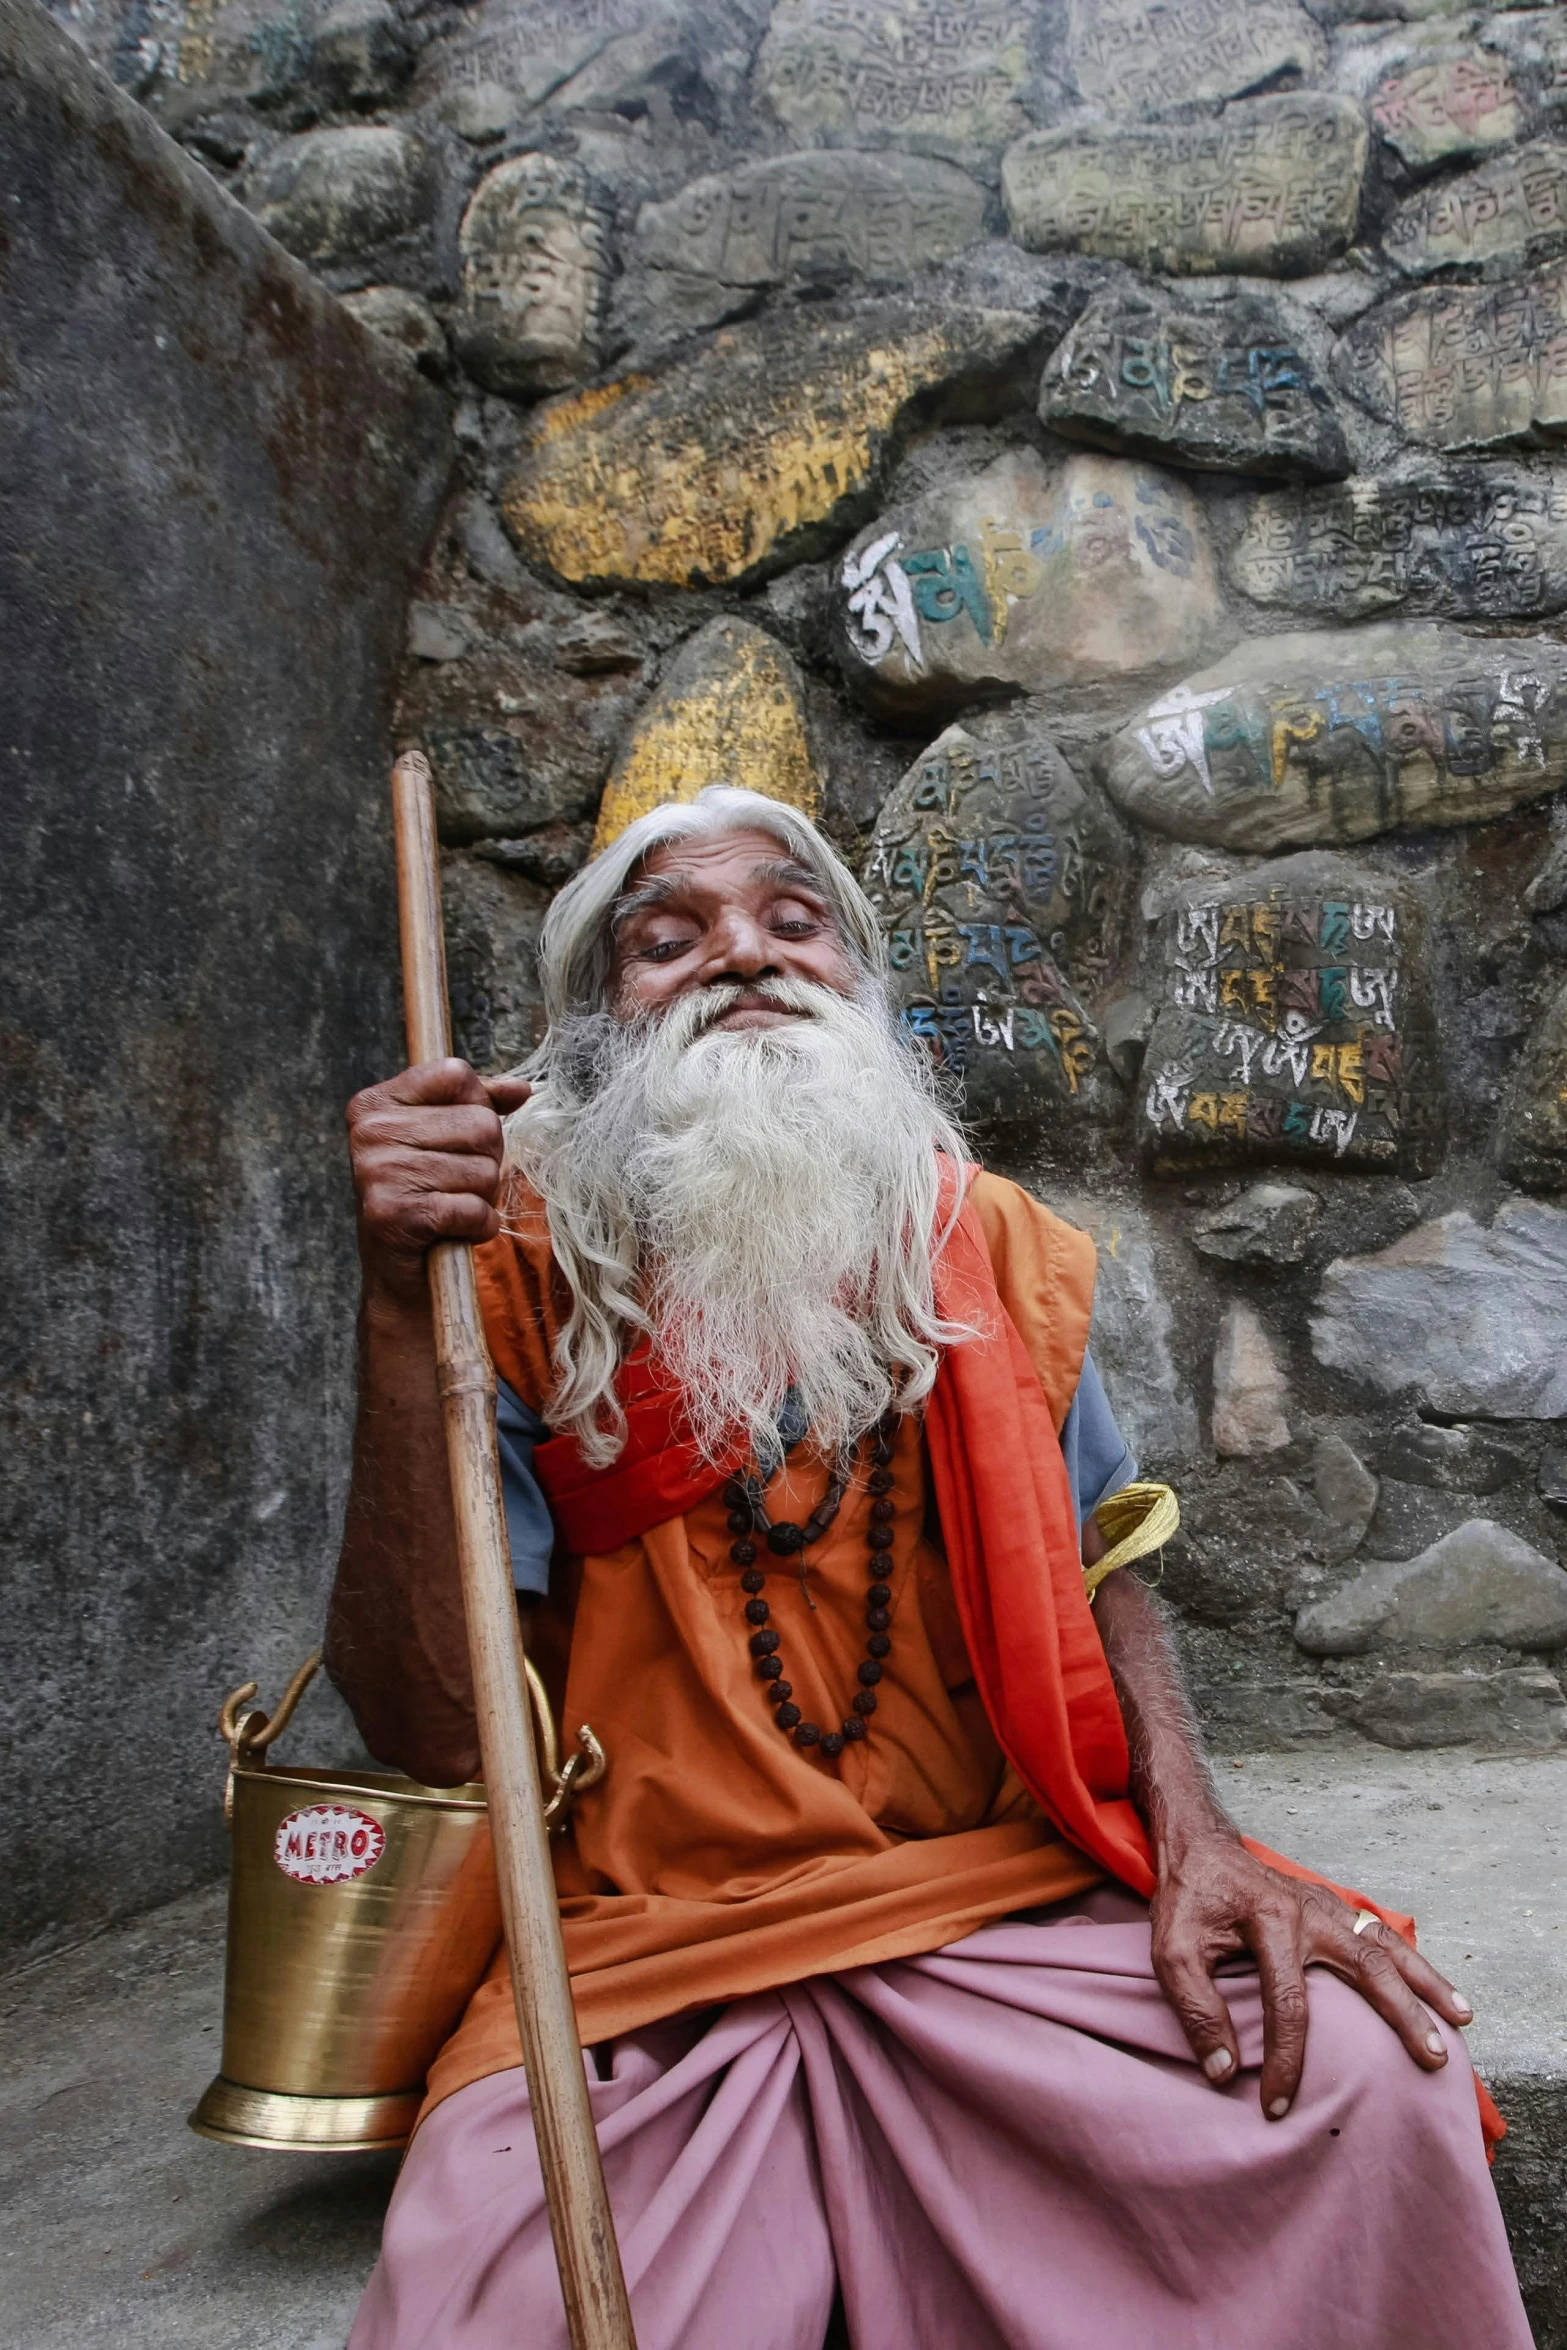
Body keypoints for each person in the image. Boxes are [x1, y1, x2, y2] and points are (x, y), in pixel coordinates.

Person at [328, 785, 1530, 2350]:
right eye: (666, 939)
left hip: (988, 1905)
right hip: (654, 1939)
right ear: (592, 1031)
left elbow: (1102, 1567)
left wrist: (1203, 1842)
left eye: (791, 918)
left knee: (1359, 2082)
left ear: (861, 983)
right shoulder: (505, 1275)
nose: (741, 957)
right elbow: (429, 1724)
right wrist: (386, 1297)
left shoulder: (996, 1245)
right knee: (491, 2294)